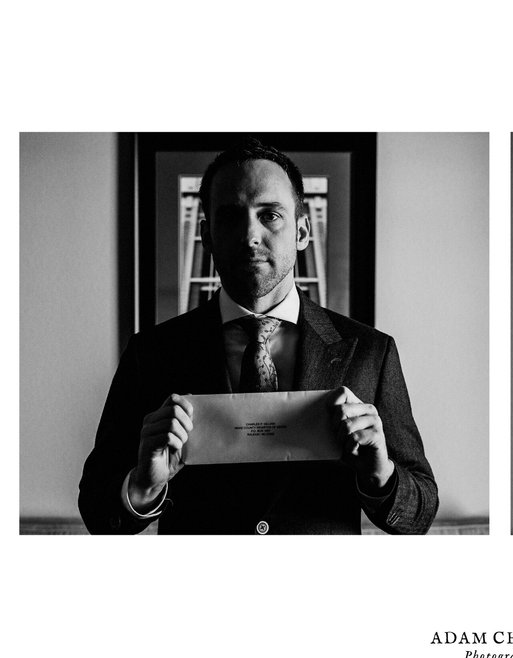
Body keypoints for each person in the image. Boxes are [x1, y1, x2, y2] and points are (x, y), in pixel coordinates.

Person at [79, 138, 438, 534]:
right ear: (206, 235)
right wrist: (144, 485)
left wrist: (380, 473)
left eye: (270, 215)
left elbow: (419, 513)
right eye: (231, 216)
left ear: (302, 232)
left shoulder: (371, 352)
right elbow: (98, 511)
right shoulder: (150, 353)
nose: (250, 235)